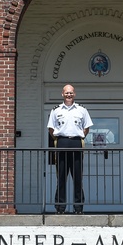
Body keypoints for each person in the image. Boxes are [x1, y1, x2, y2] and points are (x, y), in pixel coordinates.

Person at [47, 84, 93, 213]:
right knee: (61, 177)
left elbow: (87, 127)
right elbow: (51, 128)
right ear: (62, 94)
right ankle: (60, 207)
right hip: (62, 142)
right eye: (66, 93)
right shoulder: (56, 110)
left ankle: (78, 207)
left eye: (71, 93)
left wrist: (80, 136)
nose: (69, 95)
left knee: (77, 177)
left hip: (76, 143)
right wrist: (59, 139)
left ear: (75, 94)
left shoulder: (81, 110)